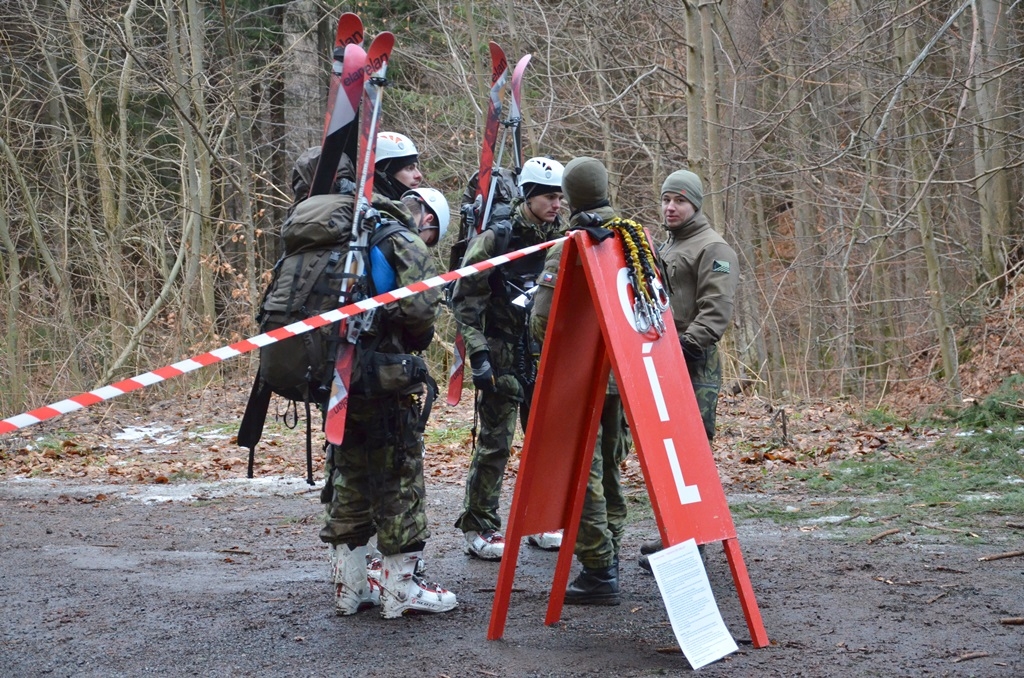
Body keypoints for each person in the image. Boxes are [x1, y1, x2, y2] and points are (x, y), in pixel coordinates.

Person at [311, 148, 458, 619]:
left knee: (347, 473)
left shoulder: (335, 229)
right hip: (386, 380)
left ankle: (349, 590)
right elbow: (419, 314)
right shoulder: (399, 238)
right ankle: (400, 591)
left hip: (336, 378)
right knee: (399, 479)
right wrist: (412, 337)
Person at [450, 157, 566, 561]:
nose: (557, 204)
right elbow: (464, 300)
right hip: (499, 355)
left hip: (543, 355)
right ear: (530, 196)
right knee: (495, 443)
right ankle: (479, 525)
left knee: (543, 442)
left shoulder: (563, 238)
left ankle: (538, 519)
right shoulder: (495, 238)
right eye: (550, 197)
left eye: (560, 197)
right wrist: (477, 353)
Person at [529, 156, 632, 605]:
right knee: (611, 467)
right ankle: (611, 552)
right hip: (628, 375)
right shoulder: (635, 240)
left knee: (583, 472)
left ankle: (598, 566)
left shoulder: (570, 246)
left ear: (570, 197)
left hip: (582, 377)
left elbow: (543, 322)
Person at [638, 169, 739, 572]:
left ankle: (692, 544)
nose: (670, 207)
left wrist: (682, 349)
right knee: (669, 454)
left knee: (692, 454)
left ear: (695, 203)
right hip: (664, 360)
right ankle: (675, 535)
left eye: (678, 200)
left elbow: (715, 312)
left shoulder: (714, 248)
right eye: (665, 200)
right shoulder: (669, 244)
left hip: (693, 363)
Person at [374, 132, 424, 200]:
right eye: (410, 168)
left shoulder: (415, 206)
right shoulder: (367, 207)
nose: (419, 175)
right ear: (383, 174)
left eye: (416, 167)